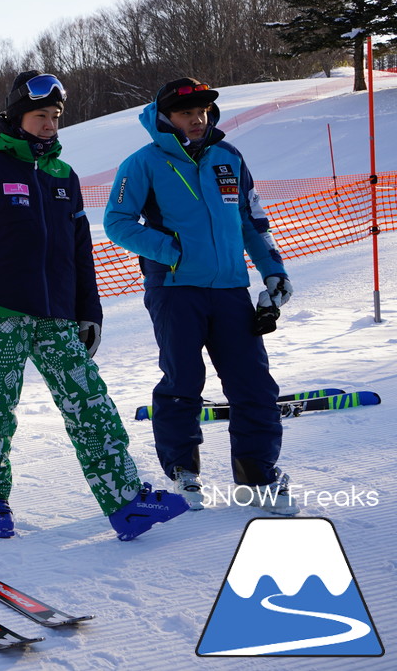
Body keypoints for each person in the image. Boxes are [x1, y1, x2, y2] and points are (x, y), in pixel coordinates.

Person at [0, 71, 189, 541]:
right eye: (40, 117)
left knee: (91, 406)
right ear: (17, 117)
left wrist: (88, 311)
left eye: (55, 117)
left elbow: (80, 251)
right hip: (0, 313)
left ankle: (127, 502)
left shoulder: (63, 176)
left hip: (57, 315)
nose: (50, 125)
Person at [104, 77, 297, 515]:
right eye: (186, 113)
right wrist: (171, 252)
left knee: (253, 384)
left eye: (203, 111)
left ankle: (257, 476)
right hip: (175, 291)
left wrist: (273, 272)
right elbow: (117, 221)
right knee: (182, 381)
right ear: (164, 118)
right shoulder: (143, 163)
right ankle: (182, 472)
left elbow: (252, 221)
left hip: (231, 289)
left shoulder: (228, 158)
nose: (197, 119)